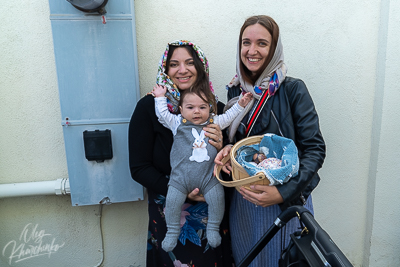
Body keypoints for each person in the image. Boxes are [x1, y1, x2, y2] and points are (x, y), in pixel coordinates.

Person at [214, 15, 326, 266]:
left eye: (262, 43)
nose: (252, 51)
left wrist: (280, 193)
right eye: (246, 43)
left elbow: (315, 149)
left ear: (274, 48)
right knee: (247, 259)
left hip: (285, 202)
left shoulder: (292, 90)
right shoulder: (236, 91)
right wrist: (229, 149)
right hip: (245, 200)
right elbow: (246, 144)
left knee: (283, 260)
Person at [129, 40, 233, 267]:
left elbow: (234, 156)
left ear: (200, 67)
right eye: (174, 64)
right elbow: (139, 167)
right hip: (170, 209)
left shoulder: (216, 109)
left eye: (189, 63)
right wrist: (182, 192)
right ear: (165, 71)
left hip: (211, 208)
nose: (182, 70)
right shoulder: (150, 108)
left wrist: (225, 146)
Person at [151, 83, 252, 252]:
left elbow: (229, 116)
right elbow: (162, 114)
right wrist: (160, 97)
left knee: (217, 200)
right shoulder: (177, 123)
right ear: (181, 110)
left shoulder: (214, 122)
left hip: (208, 179)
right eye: (190, 107)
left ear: (210, 109)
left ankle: (212, 228)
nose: (196, 111)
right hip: (179, 180)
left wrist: (241, 104)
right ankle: (172, 231)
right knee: (172, 202)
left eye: (202, 107)